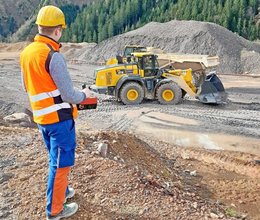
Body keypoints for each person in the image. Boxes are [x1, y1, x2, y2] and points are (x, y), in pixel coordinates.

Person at [20, 5, 92, 219]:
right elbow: (69, 95)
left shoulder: (27, 52)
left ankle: (63, 191)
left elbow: (26, 86)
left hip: (42, 118)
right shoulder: (53, 56)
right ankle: (55, 211)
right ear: (58, 30)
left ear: (40, 27)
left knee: (56, 160)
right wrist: (84, 94)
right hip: (59, 121)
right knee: (61, 165)